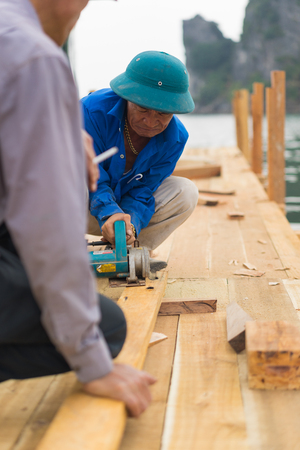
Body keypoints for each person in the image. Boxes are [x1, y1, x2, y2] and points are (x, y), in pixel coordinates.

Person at [0, 0, 156, 418]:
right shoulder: (34, 57)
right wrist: (92, 363)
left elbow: (150, 190)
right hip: (95, 207)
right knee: (107, 328)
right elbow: (46, 226)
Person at [81, 51, 199, 252]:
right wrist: (110, 213)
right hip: (81, 209)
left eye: (162, 113)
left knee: (186, 192)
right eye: (142, 109)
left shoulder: (176, 138)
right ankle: (55, 246)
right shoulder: (91, 111)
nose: (151, 121)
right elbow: (91, 175)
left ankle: (129, 248)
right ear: (127, 98)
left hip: (122, 215)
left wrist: (130, 225)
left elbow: (143, 190)